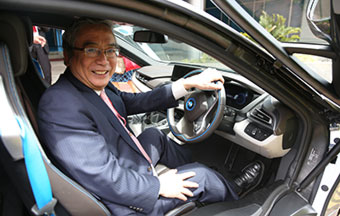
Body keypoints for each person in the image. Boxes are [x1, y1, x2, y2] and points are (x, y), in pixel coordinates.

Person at [37, 18, 264, 216]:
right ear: (68, 56)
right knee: (202, 176)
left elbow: (131, 102)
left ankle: (210, 185)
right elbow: (101, 176)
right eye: (91, 50)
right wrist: (157, 185)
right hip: (120, 204)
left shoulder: (92, 87)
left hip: (122, 164)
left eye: (110, 50)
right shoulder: (60, 103)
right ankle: (236, 196)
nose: (104, 61)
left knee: (154, 135)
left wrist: (185, 85)